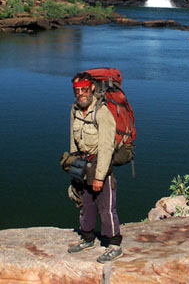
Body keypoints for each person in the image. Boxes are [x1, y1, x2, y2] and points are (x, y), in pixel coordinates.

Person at [67, 72, 123, 263]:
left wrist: (100, 177)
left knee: (106, 207)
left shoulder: (102, 112)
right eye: (77, 90)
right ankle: (88, 237)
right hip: (83, 164)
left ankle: (114, 244)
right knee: (86, 204)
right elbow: (73, 141)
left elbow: (107, 147)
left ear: (91, 88)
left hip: (100, 164)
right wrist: (73, 165)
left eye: (84, 89)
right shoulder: (75, 110)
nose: (80, 93)